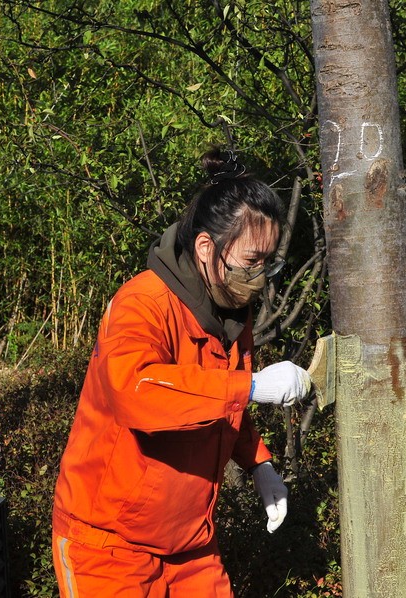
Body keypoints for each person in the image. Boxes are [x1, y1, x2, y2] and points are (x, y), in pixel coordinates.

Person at [52, 147, 312, 597]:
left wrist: (258, 463)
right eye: (251, 261)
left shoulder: (231, 311)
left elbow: (218, 402)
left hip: (190, 542)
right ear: (206, 248)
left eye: (268, 262)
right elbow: (136, 391)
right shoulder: (143, 303)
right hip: (108, 546)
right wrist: (251, 386)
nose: (260, 277)